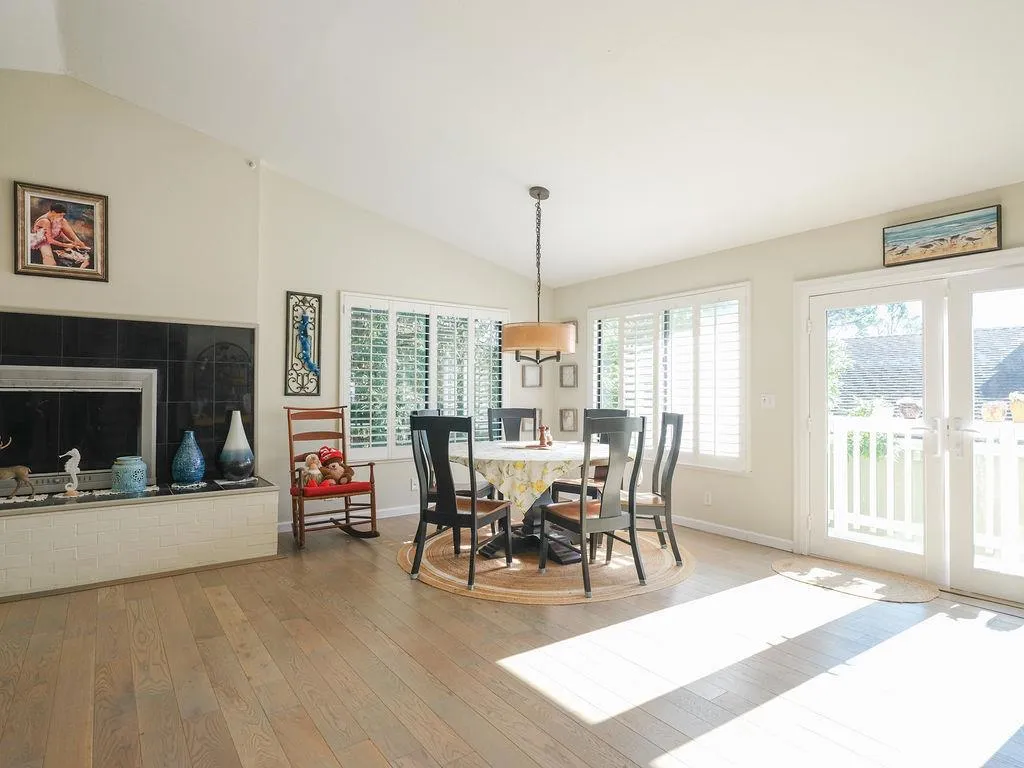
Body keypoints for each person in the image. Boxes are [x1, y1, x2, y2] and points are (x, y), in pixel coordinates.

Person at [30, 202, 91, 268]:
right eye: (60, 215)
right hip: (42, 241)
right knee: (49, 257)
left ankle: (78, 241)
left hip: (53, 238)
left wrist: (71, 241)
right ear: (53, 212)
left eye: (63, 215)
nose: (61, 217)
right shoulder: (45, 221)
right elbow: (49, 240)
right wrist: (66, 245)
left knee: (63, 221)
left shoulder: (56, 218)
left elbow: (59, 231)